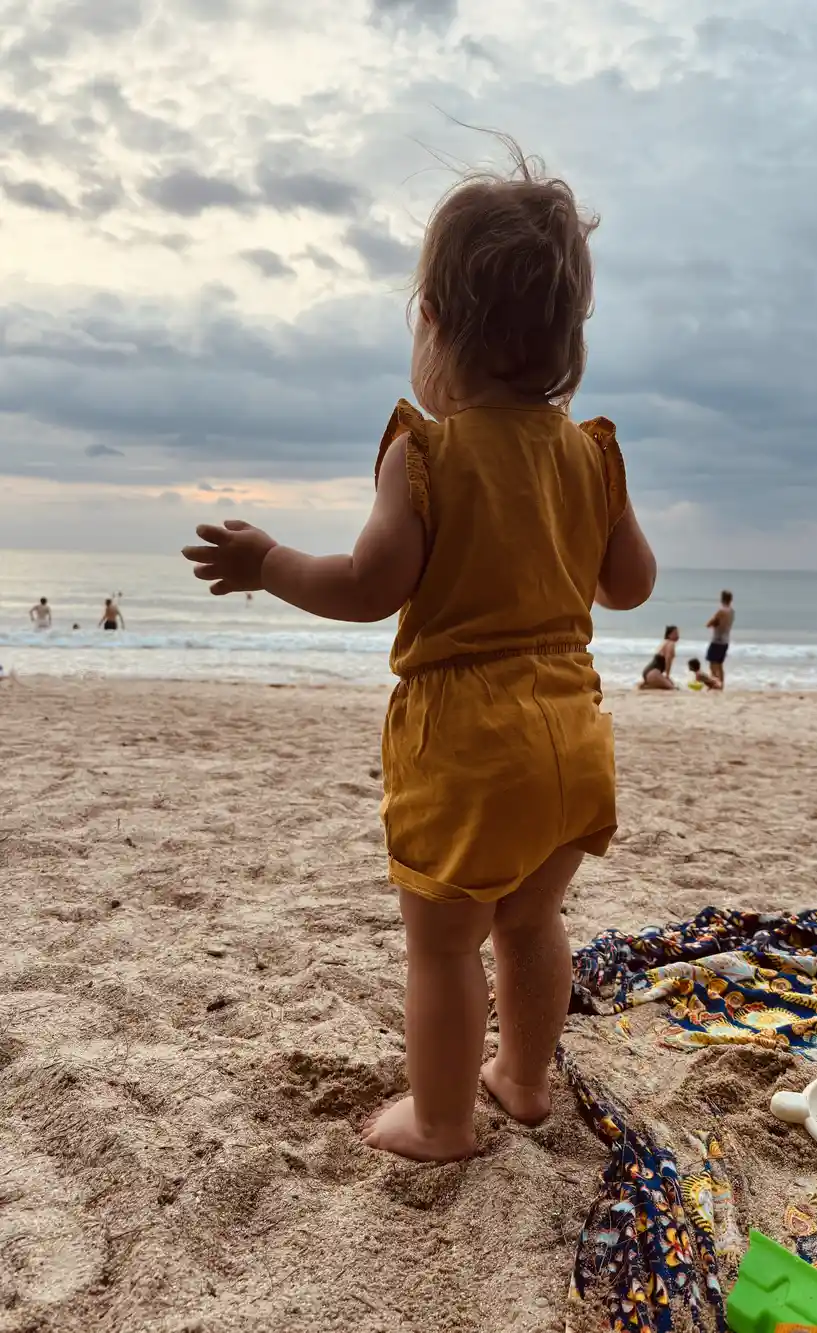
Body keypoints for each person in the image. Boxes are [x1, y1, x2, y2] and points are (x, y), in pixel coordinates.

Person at [182, 147, 657, 1163]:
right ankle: (522, 1084)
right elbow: (631, 588)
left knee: (443, 943)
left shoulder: (425, 453)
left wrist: (268, 563)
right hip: (574, 742)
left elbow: (366, 585)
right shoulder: (594, 454)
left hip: (469, 749)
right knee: (530, 925)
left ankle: (442, 1122)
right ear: (568, 340)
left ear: (433, 326)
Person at [705, 589, 734, 687]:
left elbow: (709, 624)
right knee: (720, 665)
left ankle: (714, 684)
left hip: (717, 640)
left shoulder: (721, 611)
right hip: (725, 640)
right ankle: (721, 684)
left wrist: (713, 623)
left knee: (713, 665)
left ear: (722, 599)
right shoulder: (731, 611)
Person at [639, 625, 679, 690]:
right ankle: (647, 685)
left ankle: (646, 684)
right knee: (672, 688)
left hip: (649, 671)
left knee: (670, 685)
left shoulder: (665, 643)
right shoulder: (671, 643)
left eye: (677, 633)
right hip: (653, 673)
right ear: (669, 635)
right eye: (675, 633)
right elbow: (668, 659)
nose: (677, 635)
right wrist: (667, 675)